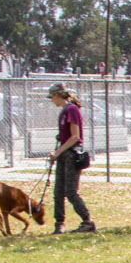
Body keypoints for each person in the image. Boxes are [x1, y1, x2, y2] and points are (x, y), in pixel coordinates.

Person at [46, 85, 95, 233]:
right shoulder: (64, 111)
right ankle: (59, 224)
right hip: (63, 154)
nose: (52, 101)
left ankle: (87, 221)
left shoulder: (71, 110)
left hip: (71, 155)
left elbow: (75, 136)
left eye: (52, 97)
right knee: (58, 192)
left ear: (57, 95)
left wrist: (58, 151)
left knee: (70, 191)